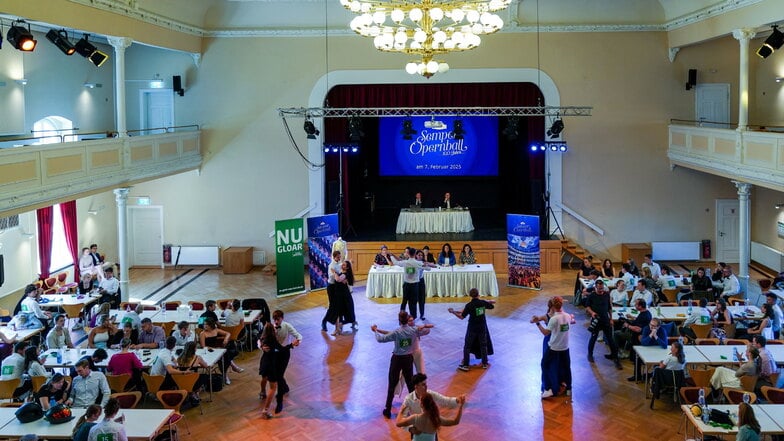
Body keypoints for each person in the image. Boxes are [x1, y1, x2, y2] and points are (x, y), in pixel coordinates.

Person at [373, 311, 430, 419]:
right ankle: (415, 409)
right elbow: (427, 331)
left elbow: (380, 339)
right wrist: (424, 326)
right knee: (410, 384)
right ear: (407, 320)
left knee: (392, 383)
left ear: (399, 320)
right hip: (408, 359)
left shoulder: (397, 332)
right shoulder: (413, 330)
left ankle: (388, 409)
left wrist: (375, 331)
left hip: (397, 360)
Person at [400, 373, 464, 438]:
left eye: (426, 384)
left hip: (431, 428)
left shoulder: (430, 394)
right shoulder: (408, 399)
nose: (426, 386)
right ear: (416, 386)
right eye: (423, 384)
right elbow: (402, 419)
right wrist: (410, 429)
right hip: (417, 431)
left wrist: (457, 400)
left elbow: (445, 401)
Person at [449, 288, 496, 371]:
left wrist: (453, 312)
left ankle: (466, 365)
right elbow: (492, 306)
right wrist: (487, 302)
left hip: (472, 328)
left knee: (467, 346)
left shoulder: (469, 305)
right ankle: (484, 363)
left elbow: (461, 316)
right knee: (483, 345)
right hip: (482, 327)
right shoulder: (482, 303)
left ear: (470, 296)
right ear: (478, 294)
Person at [535, 296, 572, 398]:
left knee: (544, 365)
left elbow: (545, 333)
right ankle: (568, 388)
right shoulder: (568, 316)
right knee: (566, 367)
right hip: (565, 347)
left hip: (554, 347)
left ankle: (548, 389)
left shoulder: (554, 319)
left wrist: (538, 324)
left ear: (553, 306)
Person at [395, 392, 465, 440]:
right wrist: (461, 406)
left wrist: (401, 411)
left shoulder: (415, 418)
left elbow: (398, 423)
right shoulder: (437, 419)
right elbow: (455, 421)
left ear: (421, 405)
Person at [585, 280, 622, 368]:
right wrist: (592, 313)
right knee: (593, 338)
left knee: (610, 339)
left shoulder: (606, 295)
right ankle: (590, 354)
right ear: (595, 287)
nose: (601, 290)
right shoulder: (592, 296)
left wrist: (611, 319)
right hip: (596, 320)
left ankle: (615, 357)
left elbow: (609, 308)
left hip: (606, 320)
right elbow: (587, 307)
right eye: (599, 288)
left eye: (602, 288)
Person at [272, 309, 301, 414]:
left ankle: (279, 402)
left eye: (278, 319)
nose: (276, 322)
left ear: (282, 319)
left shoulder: (287, 326)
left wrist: (298, 341)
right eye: (274, 320)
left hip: (285, 353)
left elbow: (298, 335)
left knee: (279, 376)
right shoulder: (271, 327)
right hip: (275, 353)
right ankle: (285, 387)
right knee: (277, 375)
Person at [200, 318, 241, 384]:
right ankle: (231, 368)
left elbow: (228, 333)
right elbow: (203, 346)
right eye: (204, 324)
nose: (205, 326)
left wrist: (226, 339)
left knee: (224, 355)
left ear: (211, 325)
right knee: (224, 354)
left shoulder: (215, 330)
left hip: (217, 349)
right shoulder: (203, 333)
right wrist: (215, 349)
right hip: (209, 351)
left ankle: (226, 374)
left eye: (206, 324)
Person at [258, 322, 284, 419]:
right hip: (271, 364)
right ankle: (265, 410)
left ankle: (262, 392)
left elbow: (259, 340)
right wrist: (291, 345)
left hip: (264, 362)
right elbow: (281, 349)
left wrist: (261, 347)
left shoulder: (263, 338)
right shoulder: (273, 340)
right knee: (273, 387)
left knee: (264, 378)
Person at [628, 317, 667, 381]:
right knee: (637, 358)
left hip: (658, 351)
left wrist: (656, 336)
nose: (651, 327)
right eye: (650, 325)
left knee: (662, 361)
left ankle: (654, 375)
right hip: (647, 350)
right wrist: (651, 334)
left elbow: (665, 345)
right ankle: (637, 376)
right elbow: (643, 343)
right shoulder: (646, 328)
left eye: (653, 326)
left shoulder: (662, 331)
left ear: (658, 327)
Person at [392, 248, 425, 321]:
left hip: (406, 285)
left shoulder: (405, 262)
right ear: (415, 254)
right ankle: (413, 318)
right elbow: (427, 267)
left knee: (404, 301)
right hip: (414, 286)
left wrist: (391, 256)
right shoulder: (418, 263)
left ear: (408, 254)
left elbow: (395, 262)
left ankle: (401, 317)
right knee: (413, 302)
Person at [323, 250, 348, 335]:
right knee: (332, 306)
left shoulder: (339, 264)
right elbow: (334, 278)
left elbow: (342, 271)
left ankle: (339, 325)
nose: (339, 258)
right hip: (332, 287)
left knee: (339, 306)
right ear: (334, 257)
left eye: (340, 257)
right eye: (338, 257)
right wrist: (340, 276)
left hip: (338, 287)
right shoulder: (331, 265)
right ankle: (324, 322)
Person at [414, 249, 436, 321]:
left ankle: (422, 314)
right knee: (414, 299)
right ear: (416, 256)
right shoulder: (412, 262)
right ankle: (413, 315)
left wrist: (426, 264)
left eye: (421, 255)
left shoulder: (423, 262)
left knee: (422, 299)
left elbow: (431, 268)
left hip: (421, 281)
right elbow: (409, 271)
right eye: (419, 255)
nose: (420, 256)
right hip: (413, 282)